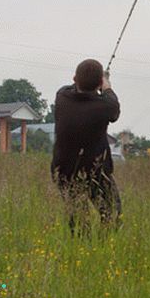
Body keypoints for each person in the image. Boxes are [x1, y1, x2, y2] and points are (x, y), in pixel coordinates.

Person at [51, 59, 122, 235]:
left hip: (64, 171)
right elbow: (112, 102)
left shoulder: (61, 97)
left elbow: (75, 86)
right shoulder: (105, 106)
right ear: (98, 83)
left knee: (78, 220)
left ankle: (80, 249)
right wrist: (105, 83)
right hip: (96, 172)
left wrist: (95, 82)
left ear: (74, 78)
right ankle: (104, 249)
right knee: (112, 214)